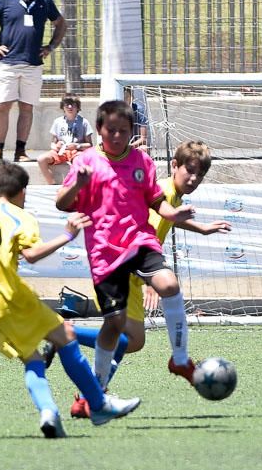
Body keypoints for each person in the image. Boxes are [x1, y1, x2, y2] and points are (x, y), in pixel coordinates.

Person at [0, 161, 140, 439]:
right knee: (66, 336)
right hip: (8, 296)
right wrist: (67, 235)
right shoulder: (19, 216)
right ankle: (99, 404)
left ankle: (48, 412)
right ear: (22, 192)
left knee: (32, 358)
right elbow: (31, 254)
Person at [69, 140, 232, 419]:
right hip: (129, 272)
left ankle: (89, 394)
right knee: (129, 339)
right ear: (175, 166)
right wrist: (151, 281)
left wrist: (201, 228)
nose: (193, 179)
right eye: (189, 171)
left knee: (130, 341)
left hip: (130, 271)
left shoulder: (171, 193)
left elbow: (165, 216)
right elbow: (145, 238)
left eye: (200, 175)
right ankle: (70, 340)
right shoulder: (167, 191)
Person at [55, 100, 199, 400]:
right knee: (117, 327)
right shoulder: (86, 162)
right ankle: (95, 391)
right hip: (106, 253)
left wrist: (172, 215)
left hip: (139, 242)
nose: (117, 136)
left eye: (123, 131)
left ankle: (181, 359)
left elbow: (155, 200)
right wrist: (77, 186)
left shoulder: (142, 162)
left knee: (169, 284)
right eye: (111, 131)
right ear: (99, 130)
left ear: (132, 131)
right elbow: (62, 203)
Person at [0, 0, 67, 163]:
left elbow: (60, 23)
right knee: (3, 105)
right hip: (8, 62)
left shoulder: (44, 0)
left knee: (27, 107)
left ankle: (20, 150)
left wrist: (50, 46)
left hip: (33, 64)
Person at [37, 95, 93, 185]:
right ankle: (52, 184)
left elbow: (90, 145)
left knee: (79, 161)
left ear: (77, 107)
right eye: (67, 104)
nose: (70, 107)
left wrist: (77, 146)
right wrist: (56, 146)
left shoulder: (84, 122)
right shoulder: (57, 122)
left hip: (76, 151)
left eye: (73, 105)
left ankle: (75, 186)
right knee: (41, 159)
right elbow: (53, 143)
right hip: (61, 151)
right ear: (63, 107)